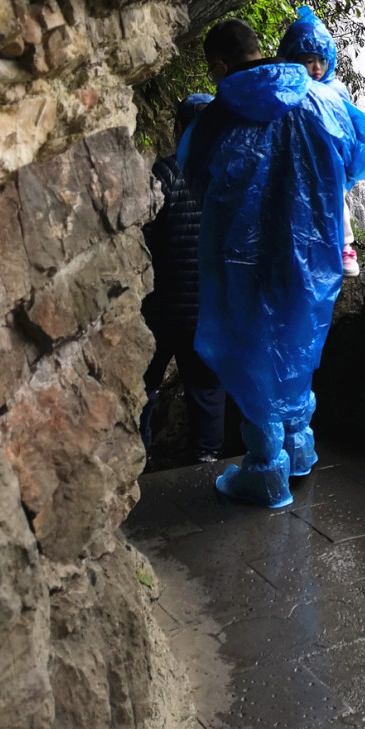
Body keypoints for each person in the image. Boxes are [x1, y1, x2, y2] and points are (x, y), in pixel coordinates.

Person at [180, 18, 365, 508]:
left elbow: (196, 177)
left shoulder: (217, 115)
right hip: (312, 254)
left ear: (219, 66)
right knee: (297, 344)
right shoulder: (324, 98)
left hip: (241, 257)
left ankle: (266, 471)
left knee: (252, 351)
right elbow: (359, 158)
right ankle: (300, 449)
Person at [139, 92, 225, 464]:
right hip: (208, 311)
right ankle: (207, 462)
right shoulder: (227, 176)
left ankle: (136, 459)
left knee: (143, 387)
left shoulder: (163, 173)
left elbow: (144, 239)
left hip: (161, 309)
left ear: (177, 128)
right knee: (206, 390)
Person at [278, 5, 365, 277]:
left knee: (335, 202)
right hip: (296, 162)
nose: (317, 67)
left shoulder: (335, 90)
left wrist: (353, 160)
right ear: (293, 59)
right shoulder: (285, 89)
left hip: (328, 162)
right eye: (309, 61)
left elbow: (353, 127)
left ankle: (345, 246)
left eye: (322, 60)